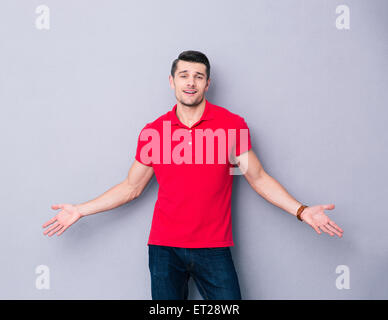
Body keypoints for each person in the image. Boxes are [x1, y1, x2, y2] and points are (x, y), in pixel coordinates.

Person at [42, 50, 344, 300]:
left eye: (198, 76)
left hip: (213, 247)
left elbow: (259, 178)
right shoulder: (154, 132)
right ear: (171, 82)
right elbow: (131, 187)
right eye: (184, 76)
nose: (191, 82)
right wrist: (80, 210)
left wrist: (302, 211)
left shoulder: (230, 126)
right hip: (164, 249)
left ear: (207, 84)